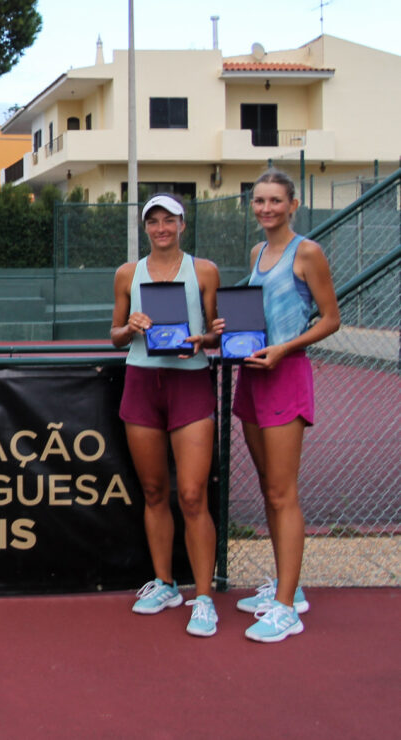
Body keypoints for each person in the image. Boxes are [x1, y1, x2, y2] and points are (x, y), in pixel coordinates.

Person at [227, 170, 340, 643]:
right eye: (259, 201)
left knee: (282, 493)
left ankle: (287, 605)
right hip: (252, 376)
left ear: (293, 205)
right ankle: (285, 588)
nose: (266, 208)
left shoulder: (308, 252)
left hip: (285, 375)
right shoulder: (257, 253)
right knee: (268, 486)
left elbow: (331, 320)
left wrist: (285, 348)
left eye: (275, 201)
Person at [111, 193, 223, 637]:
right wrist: (131, 326)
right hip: (141, 385)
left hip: (190, 384)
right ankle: (164, 584)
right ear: (146, 228)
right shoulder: (127, 274)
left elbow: (215, 335)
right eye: (153, 221)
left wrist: (206, 338)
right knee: (155, 491)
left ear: (182, 224)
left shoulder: (205, 271)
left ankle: (204, 597)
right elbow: (115, 337)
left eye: (168, 220)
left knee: (193, 495)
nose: (161, 228)